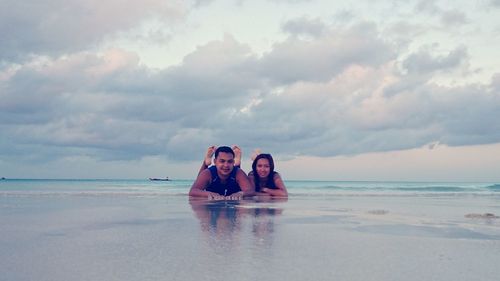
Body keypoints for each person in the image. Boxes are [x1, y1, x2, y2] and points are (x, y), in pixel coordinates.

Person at [189, 146, 254, 200]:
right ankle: (206, 162)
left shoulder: (238, 172)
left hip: (232, 204)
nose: (226, 165)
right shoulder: (208, 173)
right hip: (213, 205)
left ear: (233, 162)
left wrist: (240, 193)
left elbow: (250, 191)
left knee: (235, 169)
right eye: (222, 161)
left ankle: (237, 163)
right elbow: (193, 191)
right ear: (215, 161)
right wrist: (210, 194)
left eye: (230, 161)